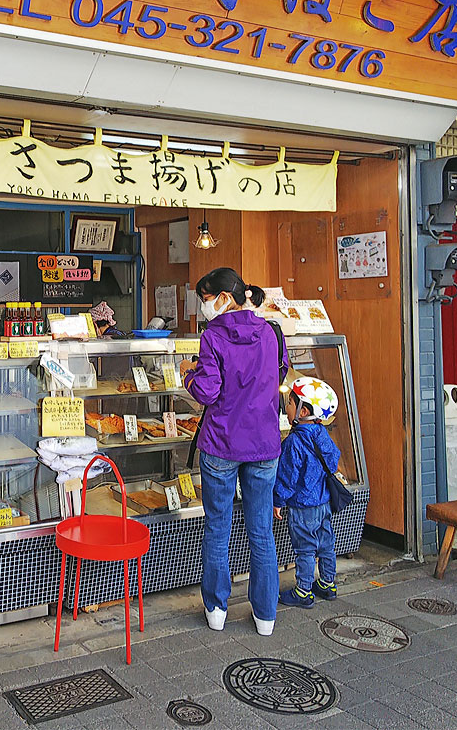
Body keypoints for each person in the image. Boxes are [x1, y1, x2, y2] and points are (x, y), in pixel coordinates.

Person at [179, 267, 289, 636]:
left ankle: (216, 609)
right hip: (263, 444)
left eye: (206, 298)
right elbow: (279, 374)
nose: (204, 306)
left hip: (222, 444)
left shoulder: (213, 335)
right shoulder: (270, 331)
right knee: (261, 531)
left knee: (218, 528)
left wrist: (188, 374)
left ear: (225, 298)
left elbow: (207, 391)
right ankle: (265, 616)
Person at [273, 376, 342, 608]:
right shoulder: (321, 433)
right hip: (323, 502)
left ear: (303, 412)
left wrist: (278, 500)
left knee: (305, 549)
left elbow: (287, 477)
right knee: (326, 544)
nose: (287, 407)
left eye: (290, 403)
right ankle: (328, 583)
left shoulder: (294, 442)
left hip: (302, 506)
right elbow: (333, 459)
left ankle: (303, 591)